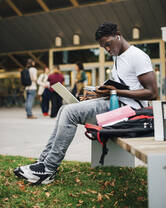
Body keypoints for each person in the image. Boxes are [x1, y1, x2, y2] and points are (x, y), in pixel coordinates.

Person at [14, 22, 158, 184]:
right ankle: (43, 162)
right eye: (104, 47)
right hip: (116, 105)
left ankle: (48, 169)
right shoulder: (119, 57)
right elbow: (119, 86)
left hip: (129, 112)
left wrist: (114, 92)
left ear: (118, 34)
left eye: (108, 44)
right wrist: (96, 94)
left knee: (70, 112)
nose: (108, 50)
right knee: (64, 109)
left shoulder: (137, 56)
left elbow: (153, 93)